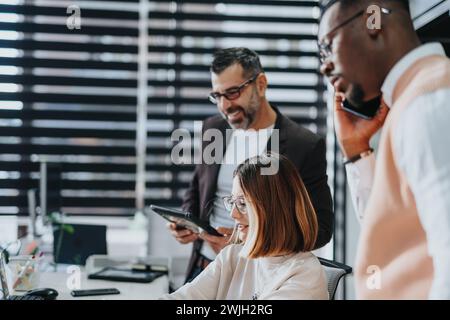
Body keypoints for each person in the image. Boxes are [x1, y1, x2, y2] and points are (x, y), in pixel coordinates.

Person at [318, 0, 450, 299]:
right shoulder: (414, 100)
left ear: (373, 19)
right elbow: (400, 231)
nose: (324, 65)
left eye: (328, 45)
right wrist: (355, 150)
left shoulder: (428, 105)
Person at [167, 47, 333, 283]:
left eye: (233, 93)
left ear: (261, 84)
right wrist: (187, 221)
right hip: (205, 268)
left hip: (260, 276)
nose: (224, 106)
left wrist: (248, 239)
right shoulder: (214, 129)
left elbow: (321, 229)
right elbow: (198, 186)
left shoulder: (303, 146)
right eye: (217, 96)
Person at [161, 153, 328, 300]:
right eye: (232, 202)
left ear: (275, 208)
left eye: (242, 203)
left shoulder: (305, 276)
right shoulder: (233, 256)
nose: (233, 214)